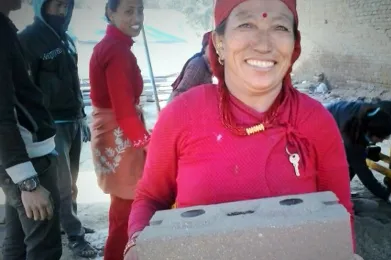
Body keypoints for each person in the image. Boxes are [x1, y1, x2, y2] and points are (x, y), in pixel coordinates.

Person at [126, 0, 360, 259]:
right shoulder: (181, 116)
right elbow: (150, 198)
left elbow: (340, 216)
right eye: (246, 24)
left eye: (280, 27)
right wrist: (137, 245)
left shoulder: (316, 122)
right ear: (218, 43)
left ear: (294, 44)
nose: (263, 44)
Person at [17, 0, 97, 257]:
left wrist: (82, 116)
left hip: (72, 119)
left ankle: (69, 221)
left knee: (72, 182)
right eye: (55, 6)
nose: (62, 12)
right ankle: (75, 236)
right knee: (62, 184)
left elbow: (73, 81)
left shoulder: (68, 39)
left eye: (66, 6)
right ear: (41, 6)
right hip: (51, 126)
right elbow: (24, 89)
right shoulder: (27, 39)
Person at [0, 0, 62, 259]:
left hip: (19, 154)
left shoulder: (4, 26)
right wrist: (28, 182)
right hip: (26, 157)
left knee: (17, 244)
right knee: (43, 248)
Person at [89, 0, 149, 258]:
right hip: (120, 134)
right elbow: (124, 111)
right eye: (128, 11)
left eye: (140, 10)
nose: (136, 17)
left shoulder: (112, 46)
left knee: (120, 210)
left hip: (113, 131)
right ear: (110, 13)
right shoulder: (117, 51)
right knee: (126, 213)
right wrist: (149, 143)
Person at [326, 100, 391, 209]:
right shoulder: (351, 137)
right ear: (369, 133)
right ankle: (335, 196)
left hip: (344, 115)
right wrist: (389, 197)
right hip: (324, 122)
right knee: (347, 161)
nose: (382, 141)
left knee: (356, 156)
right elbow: (363, 172)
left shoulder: (381, 111)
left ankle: (342, 190)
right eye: (381, 138)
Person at [168, 31, 213, 101]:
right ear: (204, 48)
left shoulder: (208, 66)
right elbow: (179, 95)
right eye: (212, 47)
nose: (216, 51)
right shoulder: (198, 65)